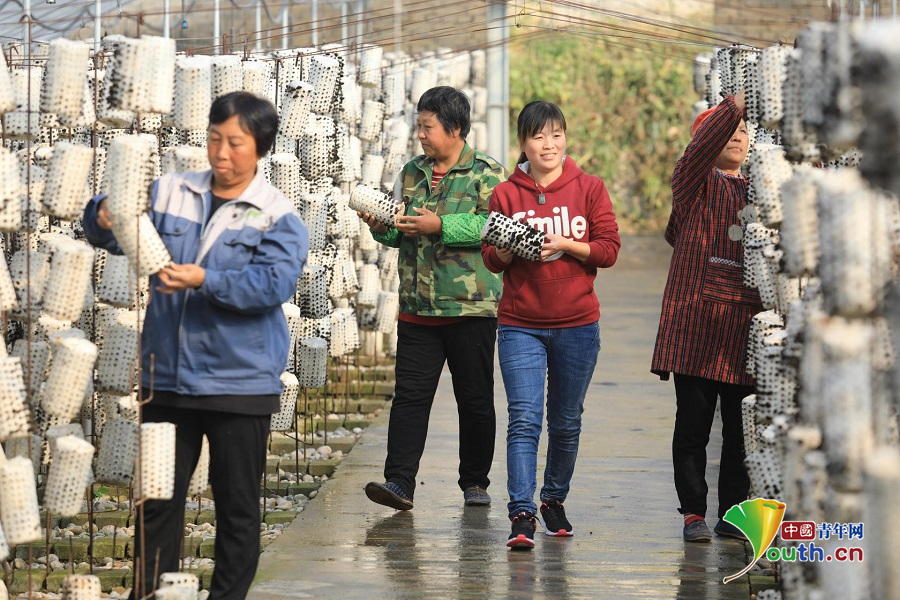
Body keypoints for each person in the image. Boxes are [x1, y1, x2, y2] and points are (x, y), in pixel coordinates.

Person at [84, 91, 309, 598]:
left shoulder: (277, 215)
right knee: (156, 503)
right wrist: (102, 214)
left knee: (236, 507)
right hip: (167, 380)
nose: (221, 153)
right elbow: (118, 230)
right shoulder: (170, 192)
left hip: (238, 383)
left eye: (235, 143)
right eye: (213, 139)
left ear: (260, 148)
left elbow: (271, 286)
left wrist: (203, 279)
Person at [358, 86, 507, 511]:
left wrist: (440, 224)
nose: (420, 135)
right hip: (418, 308)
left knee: (474, 398)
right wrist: (379, 224)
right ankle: (399, 482)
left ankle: (475, 482)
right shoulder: (411, 172)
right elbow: (398, 231)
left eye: (428, 127)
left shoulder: (486, 173)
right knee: (409, 397)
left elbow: (493, 228)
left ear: (455, 128)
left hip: (469, 308)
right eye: (419, 127)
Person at [481, 100, 620, 549]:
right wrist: (509, 249)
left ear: (566, 138)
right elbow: (491, 258)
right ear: (523, 143)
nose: (549, 144)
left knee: (565, 422)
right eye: (538, 136)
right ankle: (521, 512)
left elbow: (608, 249)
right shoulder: (506, 195)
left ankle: (553, 499)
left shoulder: (590, 188)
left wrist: (567, 243)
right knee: (523, 419)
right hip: (520, 323)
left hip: (578, 324)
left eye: (556, 134)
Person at [650, 91, 762, 543]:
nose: (737, 136)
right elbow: (699, 150)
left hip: (744, 328)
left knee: (739, 432)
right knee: (693, 426)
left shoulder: (763, 190)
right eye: (727, 130)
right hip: (695, 325)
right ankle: (693, 512)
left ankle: (734, 514)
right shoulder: (693, 183)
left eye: (742, 130)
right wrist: (735, 105)